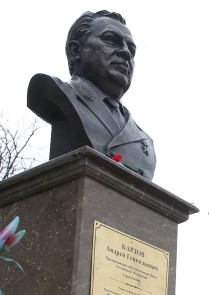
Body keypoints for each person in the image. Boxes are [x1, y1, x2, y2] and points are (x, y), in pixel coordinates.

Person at [27, 10, 156, 179]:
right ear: (76, 50)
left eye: (131, 50)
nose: (126, 53)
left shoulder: (144, 139)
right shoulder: (57, 91)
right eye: (110, 39)